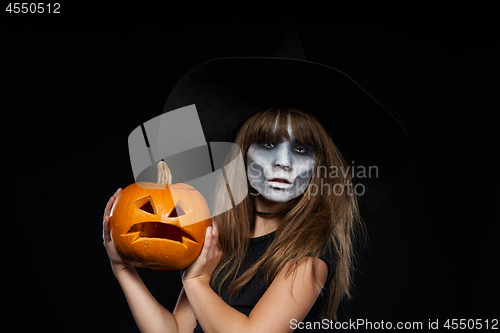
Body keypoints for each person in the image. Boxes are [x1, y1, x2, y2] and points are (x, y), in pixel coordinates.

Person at [103, 106, 364, 332]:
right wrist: (123, 269)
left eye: (301, 149)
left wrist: (195, 281)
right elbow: (177, 330)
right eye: (268, 144)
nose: (283, 162)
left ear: (317, 166)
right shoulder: (217, 235)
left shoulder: (311, 254)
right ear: (243, 154)